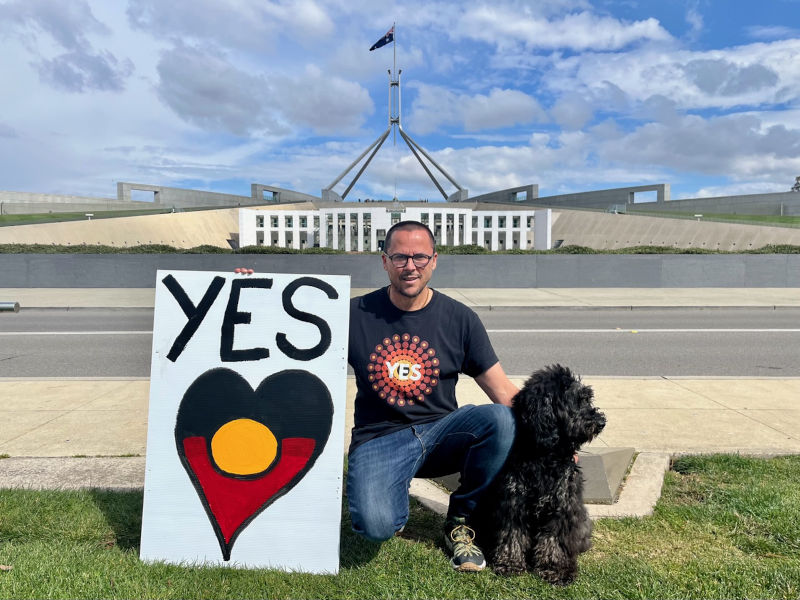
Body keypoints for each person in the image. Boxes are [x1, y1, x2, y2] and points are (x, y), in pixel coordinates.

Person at [346, 220, 519, 572]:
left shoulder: (460, 318)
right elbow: (291, 339)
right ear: (384, 261)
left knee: (502, 419)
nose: (410, 266)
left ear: (434, 260)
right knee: (376, 528)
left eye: (420, 257)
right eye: (399, 257)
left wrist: (557, 441)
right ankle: (390, 496)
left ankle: (461, 521)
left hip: (442, 433)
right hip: (379, 437)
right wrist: (249, 288)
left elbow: (503, 390)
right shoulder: (354, 314)